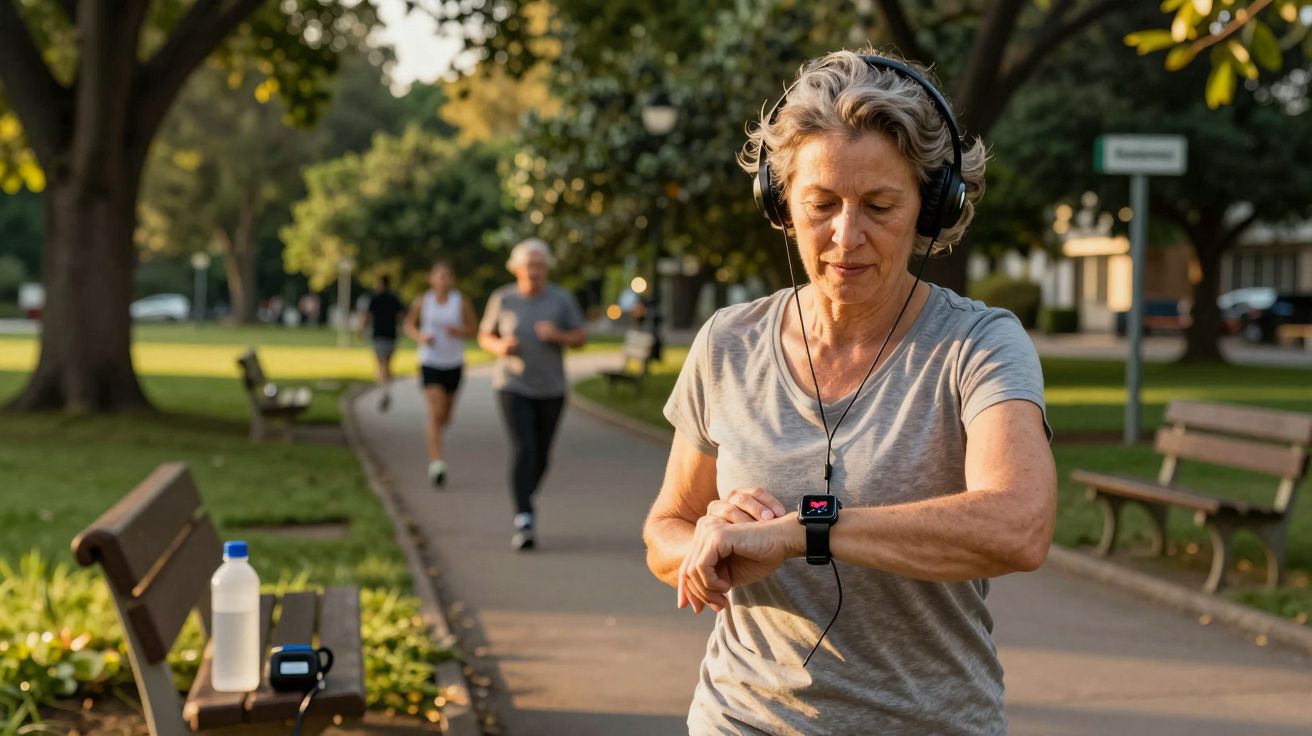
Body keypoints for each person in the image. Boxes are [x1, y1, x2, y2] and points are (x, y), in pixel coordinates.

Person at [642, 50, 1056, 735]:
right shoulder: (727, 343)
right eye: (822, 204)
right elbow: (667, 525)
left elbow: (1021, 526)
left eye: (880, 206)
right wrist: (707, 550)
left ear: (932, 208)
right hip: (741, 717)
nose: (846, 235)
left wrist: (798, 534)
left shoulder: (980, 345)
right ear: (780, 203)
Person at [478, 238, 586, 550]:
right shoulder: (503, 299)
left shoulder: (561, 299)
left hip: (551, 388)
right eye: (529, 266)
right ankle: (524, 517)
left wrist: (557, 335)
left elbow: (580, 337)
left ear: (547, 268)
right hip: (512, 385)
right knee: (524, 448)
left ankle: (524, 491)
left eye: (539, 266)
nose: (534, 271)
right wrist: (500, 346)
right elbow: (484, 335)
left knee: (541, 455)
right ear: (516, 269)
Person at [403, 261, 477, 486]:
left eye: (447, 276)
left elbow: (474, 330)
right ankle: (437, 463)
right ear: (431, 279)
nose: (443, 280)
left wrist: (459, 331)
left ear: (452, 279)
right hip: (430, 362)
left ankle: (436, 437)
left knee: (445, 417)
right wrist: (421, 337)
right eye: (439, 276)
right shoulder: (422, 301)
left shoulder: (460, 302)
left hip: (453, 363)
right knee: (435, 413)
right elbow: (409, 325)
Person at [358, 275, 405, 411]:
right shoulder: (394, 298)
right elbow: (401, 316)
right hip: (391, 336)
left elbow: (367, 316)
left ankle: (382, 390)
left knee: (380, 364)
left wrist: (361, 330)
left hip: (378, 335)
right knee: (388, 365)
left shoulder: (375, 298)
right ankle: (386, 389)